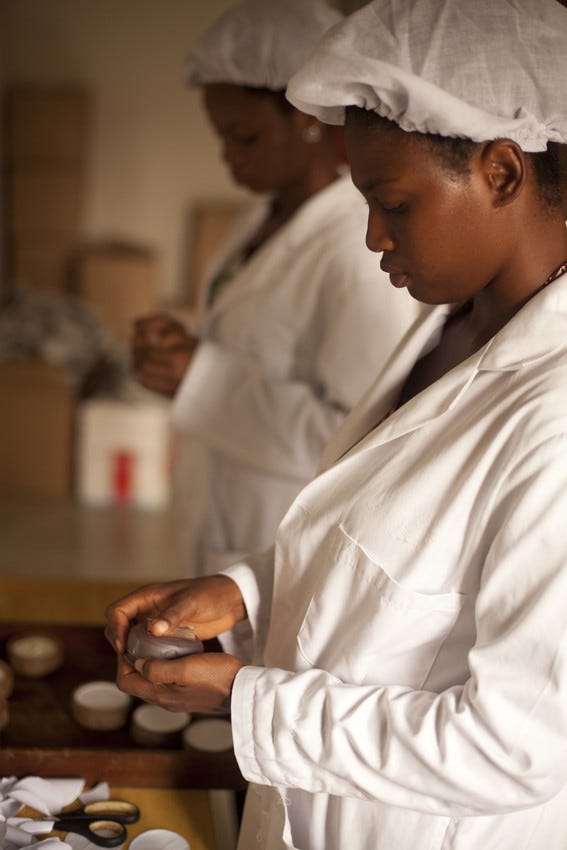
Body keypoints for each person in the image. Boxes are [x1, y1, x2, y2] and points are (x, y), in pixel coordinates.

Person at [106, 1, 567, 848]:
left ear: (502, 173)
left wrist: (244, 698)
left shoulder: (554, 418)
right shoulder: (453, 326)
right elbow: (391, 559)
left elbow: (514, 747)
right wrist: (245, 591)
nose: (369, 236)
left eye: (392, 202)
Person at [132, 0, 421, 576]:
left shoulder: (356, 249)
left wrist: (201, 378)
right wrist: (186, 349)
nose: (227, 158)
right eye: (221, 136)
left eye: (245, 137)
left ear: (309, 117)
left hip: (281, 547)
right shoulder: (258, 221)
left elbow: (356, 435)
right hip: (222, 524)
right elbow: (255, 344)